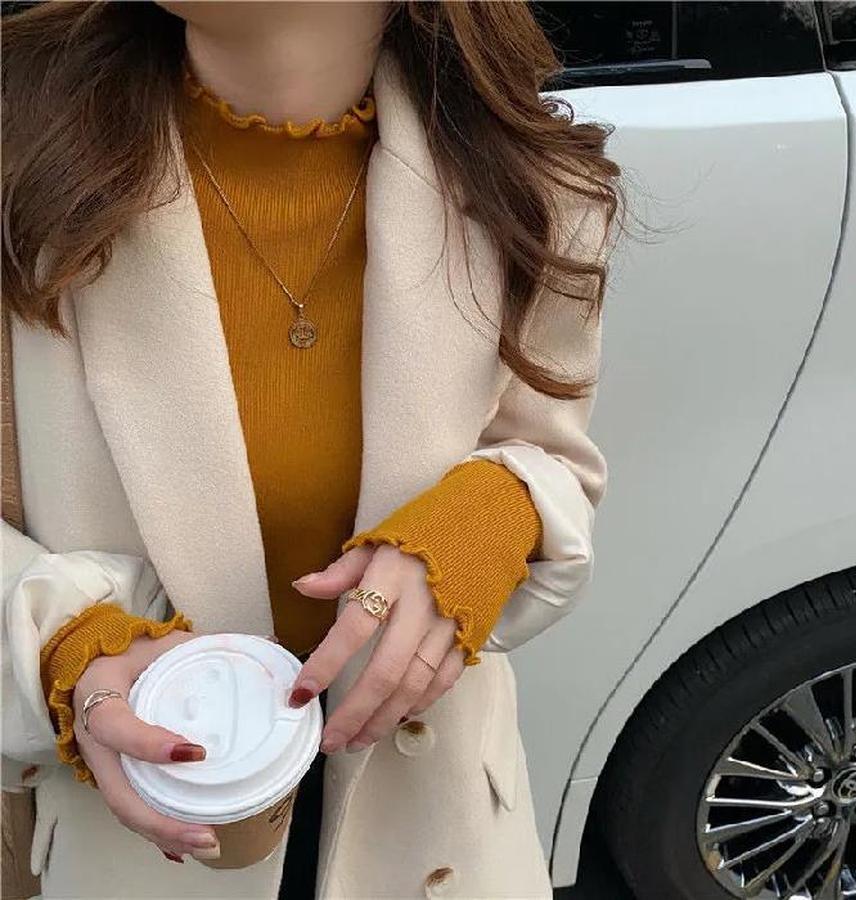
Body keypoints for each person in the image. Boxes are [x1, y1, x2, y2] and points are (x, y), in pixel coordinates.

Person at [1, 2, 620, 897]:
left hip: (438, 831)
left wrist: (489, 514)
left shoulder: (537, 189)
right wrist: (66, 643)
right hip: (137, 836)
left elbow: (551, 457)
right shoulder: (24, 171)